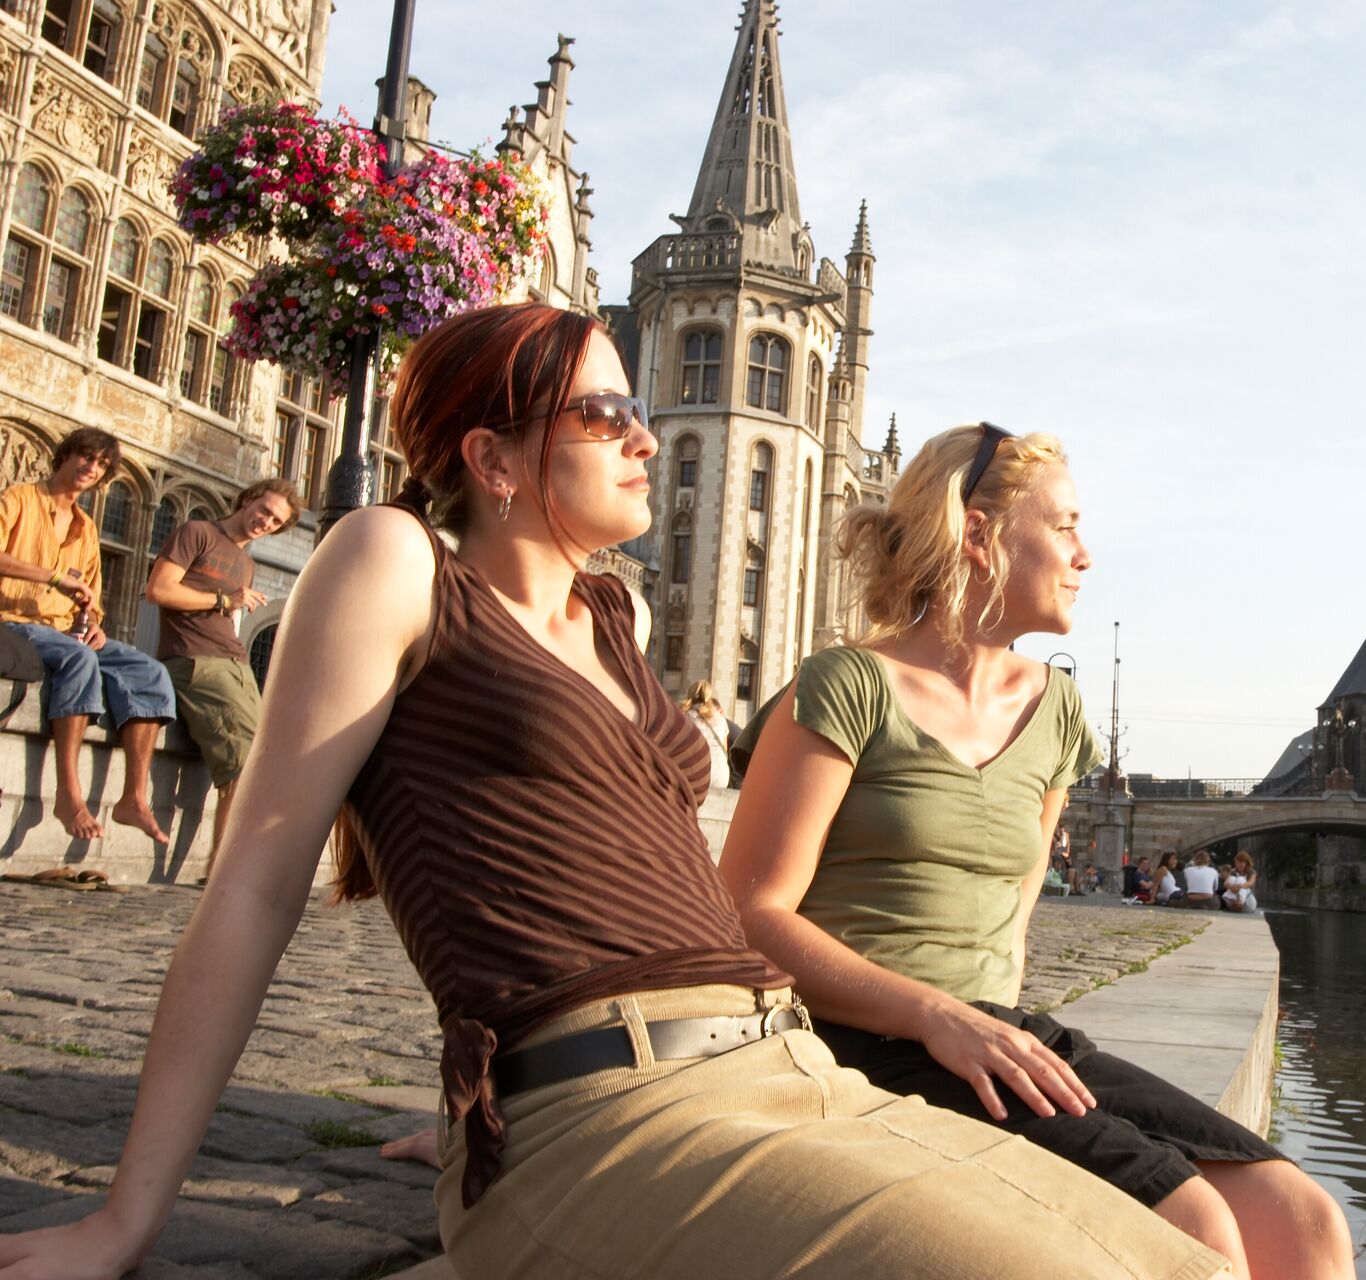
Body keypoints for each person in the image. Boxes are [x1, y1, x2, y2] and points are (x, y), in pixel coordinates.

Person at [0, 310, 1231, 1280]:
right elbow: (258, 884)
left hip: (784, 1064)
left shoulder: (614, 616)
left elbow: (629, 863)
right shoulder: (396, 561)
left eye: (639, 407)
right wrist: (126, 1214)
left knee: (1198, 1258)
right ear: (492, 457)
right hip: (611, 1105)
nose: (646, 434)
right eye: (604, 411)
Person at [724, 424, 1353, 1280]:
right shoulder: (848, 685)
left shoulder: (1058, 711)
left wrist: (989, 1030)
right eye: (1063, 526)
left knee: (1305, 1222)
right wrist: (935, 1016)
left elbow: (1013, 921)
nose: (1085, 554)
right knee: (1193, 1226)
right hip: (864, 1036)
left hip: (992, 1038)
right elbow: (747, 917)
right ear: (977, 536)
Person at [0, 428, 174, 846]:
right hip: (13, 620)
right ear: (64, 456)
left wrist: (95, 622)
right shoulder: (19, 499)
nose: (90, 468)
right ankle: (68, 794)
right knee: (77, 660)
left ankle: (133, 798)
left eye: (100, 465)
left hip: (64, 629)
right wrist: (53, 578)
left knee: (150, 673)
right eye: (85, 457)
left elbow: (92, 595)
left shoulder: (87, 527)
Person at [143, 478, 301, 876]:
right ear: (248, 500)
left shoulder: (245, 563)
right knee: (243, 764)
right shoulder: (198, 533)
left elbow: (228, 615)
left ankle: (238, 861)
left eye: (276, 521)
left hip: (234, 661)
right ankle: (222, 869)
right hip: (196, 660)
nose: (266, 522)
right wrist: (222, 599)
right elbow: (158, 590)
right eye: (264, 510)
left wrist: (231, 608)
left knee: (267, 759)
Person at [678, 678, 731, 793]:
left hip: (696, 775)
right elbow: (725, 750)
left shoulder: (685, 716)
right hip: (721, 777)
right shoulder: (721, 719)